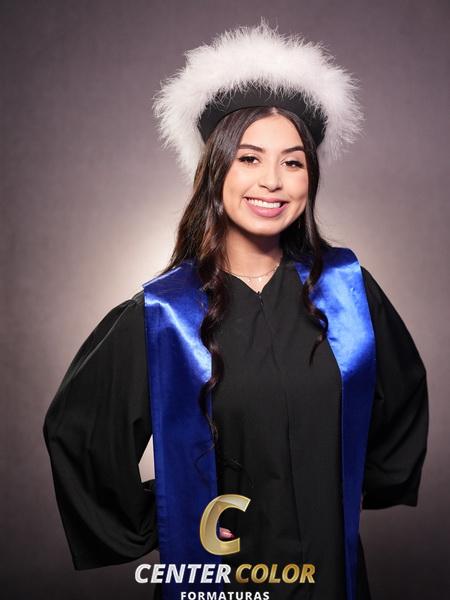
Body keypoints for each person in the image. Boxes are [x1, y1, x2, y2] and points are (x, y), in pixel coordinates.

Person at [43, 19, 429, 600]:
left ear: (310, 177)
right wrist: (167, 515)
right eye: (249, 158)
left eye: (293, 162)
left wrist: (346, 480)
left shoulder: (347, 291)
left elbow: (402, 398)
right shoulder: (166, 314)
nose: (272, 182)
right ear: (215, 169)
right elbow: (80, 434)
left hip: (330, 574)